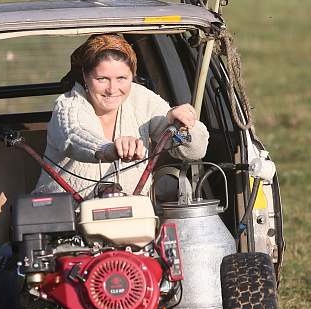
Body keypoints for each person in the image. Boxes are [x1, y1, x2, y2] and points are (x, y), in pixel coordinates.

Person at [34, 34, 209, 197]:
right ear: (85, 77)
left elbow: (195, 150)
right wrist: (108, 149)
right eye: (102, 79)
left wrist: (183, 124)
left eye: (121, 78)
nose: (112, 89)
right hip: (65, 220)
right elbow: (74, 137)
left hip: (133, 219)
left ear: (132, 76)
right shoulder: (68, 105)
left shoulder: (142, 99)